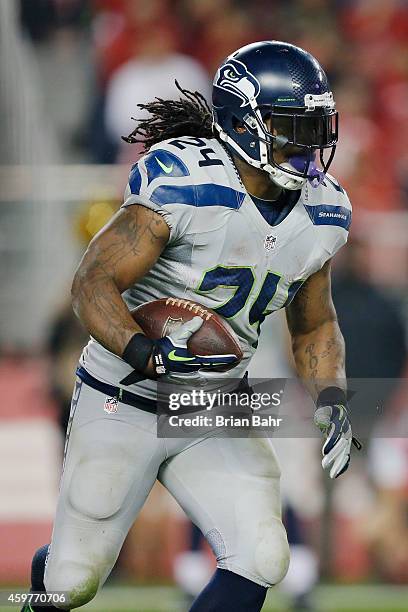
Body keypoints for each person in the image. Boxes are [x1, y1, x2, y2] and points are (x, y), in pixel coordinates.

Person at [22, 41, 361, 612]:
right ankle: (45, 581)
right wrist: (144, 351)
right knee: (72, 584)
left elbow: (314, 325)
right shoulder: (186, 185)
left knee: (261, 554)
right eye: (290, 126)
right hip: (125, 393)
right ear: (242, 123)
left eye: (314, 126)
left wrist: (330, 398)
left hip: (215, 400)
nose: (309, 144)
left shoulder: (321, 211)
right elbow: (91, 283)